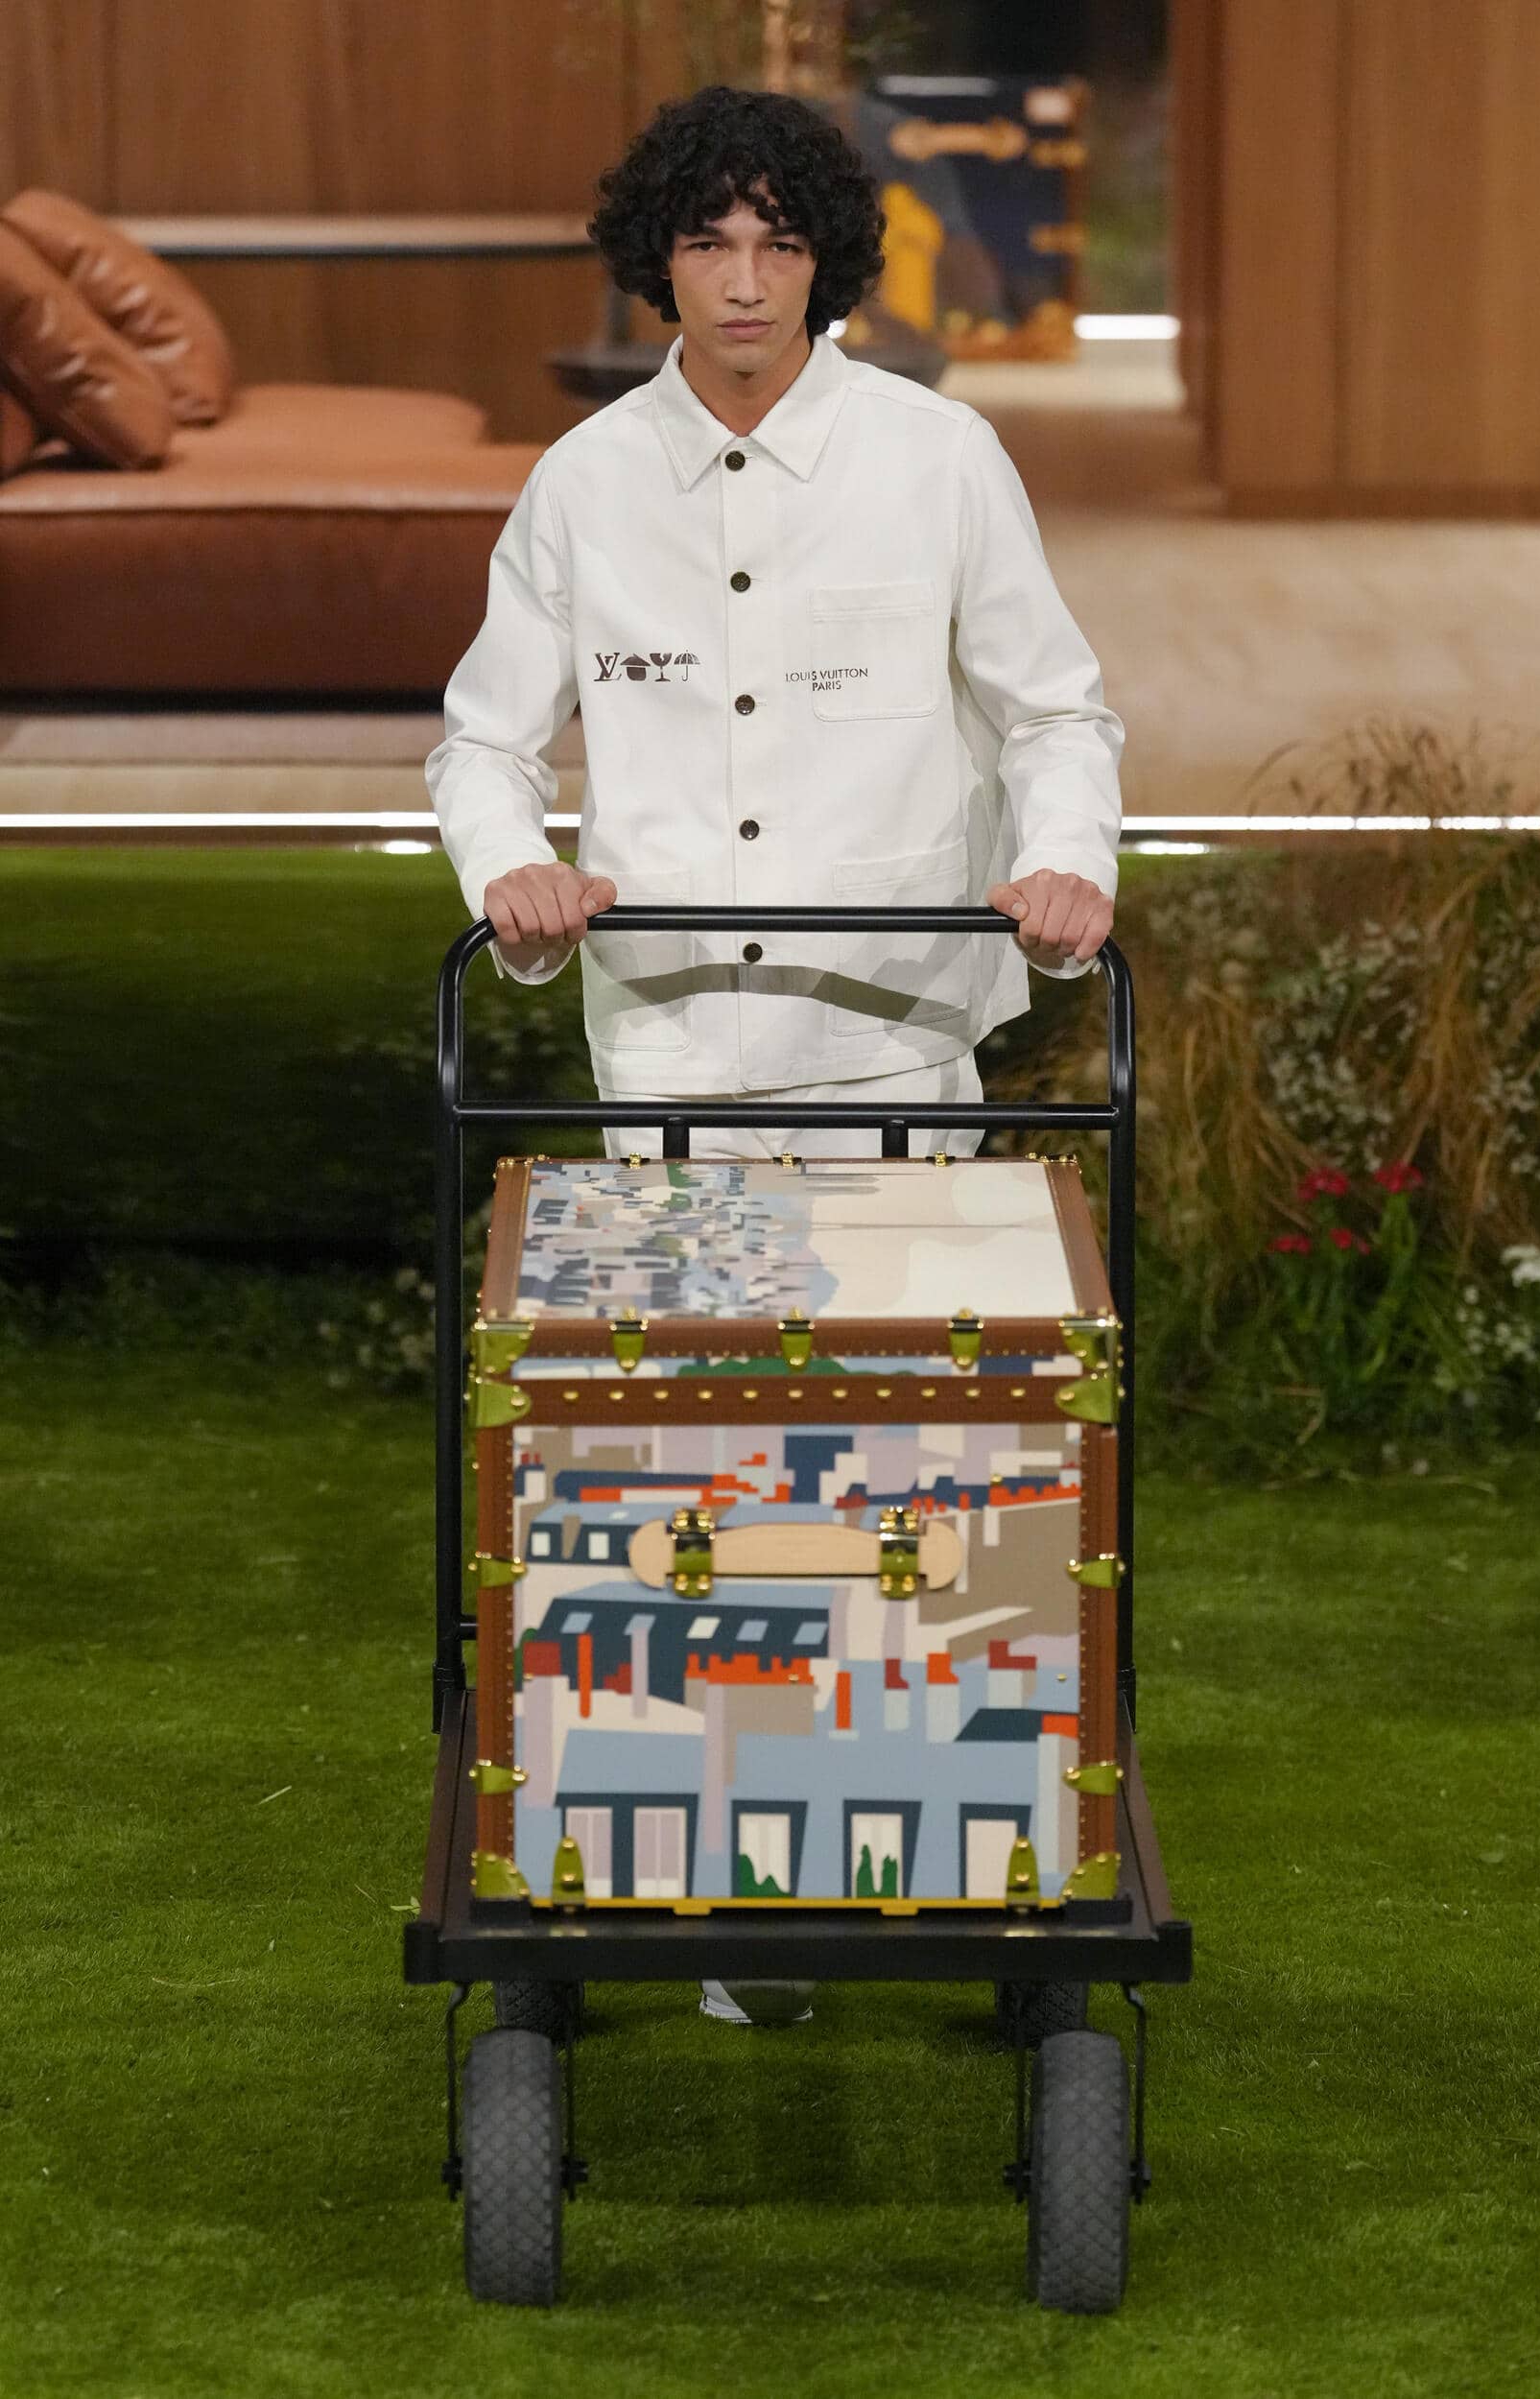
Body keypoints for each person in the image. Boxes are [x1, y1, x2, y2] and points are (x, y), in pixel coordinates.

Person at [426, 83, 1125, 2027]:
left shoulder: (941, 459)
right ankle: (723, 1880)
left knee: (918, 1478)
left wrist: (1065, 857)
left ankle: (946, 1840)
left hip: (897, 1068)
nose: (744, 282)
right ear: (655, 260)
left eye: (779, 243)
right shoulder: (584, 484)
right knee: (700, 1486)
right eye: (708, 243)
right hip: (670, 1069)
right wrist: (514, 871)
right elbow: (484, 740)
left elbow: (1056, 710)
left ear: (827, 261)